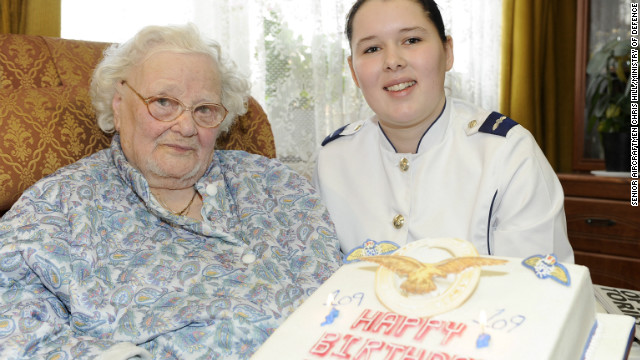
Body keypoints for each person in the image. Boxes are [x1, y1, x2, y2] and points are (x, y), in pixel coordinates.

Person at [0, 24, 341, 359]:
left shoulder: (277, 184)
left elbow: (344, 296)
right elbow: (15, 332)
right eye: (164, 102)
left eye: (204, 109)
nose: (187, 126)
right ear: (119, 105)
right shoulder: (57, 205)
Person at [313, 0, 573, 263]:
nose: (392, 61)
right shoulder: (333, 158)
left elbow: (541, 290)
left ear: (447, 52)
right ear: (353, 71)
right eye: (372, 48)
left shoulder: (508, 154)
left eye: (412, 40)